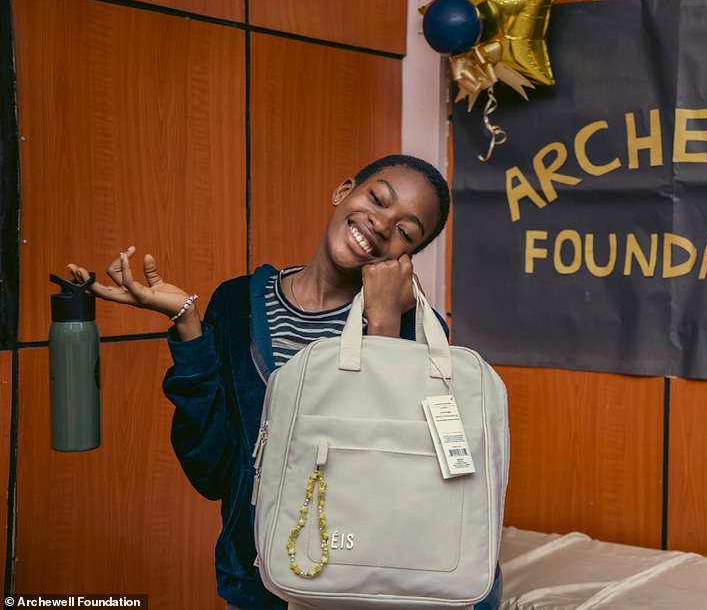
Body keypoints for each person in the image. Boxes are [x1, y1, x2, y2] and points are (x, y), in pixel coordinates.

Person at [68, 154, 499, 610]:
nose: (380, 224)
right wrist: (188, 326)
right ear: (343, 191)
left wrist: (385, 321)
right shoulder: (236, 304)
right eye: (377, 198)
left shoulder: (417, 329)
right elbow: (212, 470)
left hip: (374, 586)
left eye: (405, 232)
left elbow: (393, 477)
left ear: (406, 258)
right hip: (258, 585)